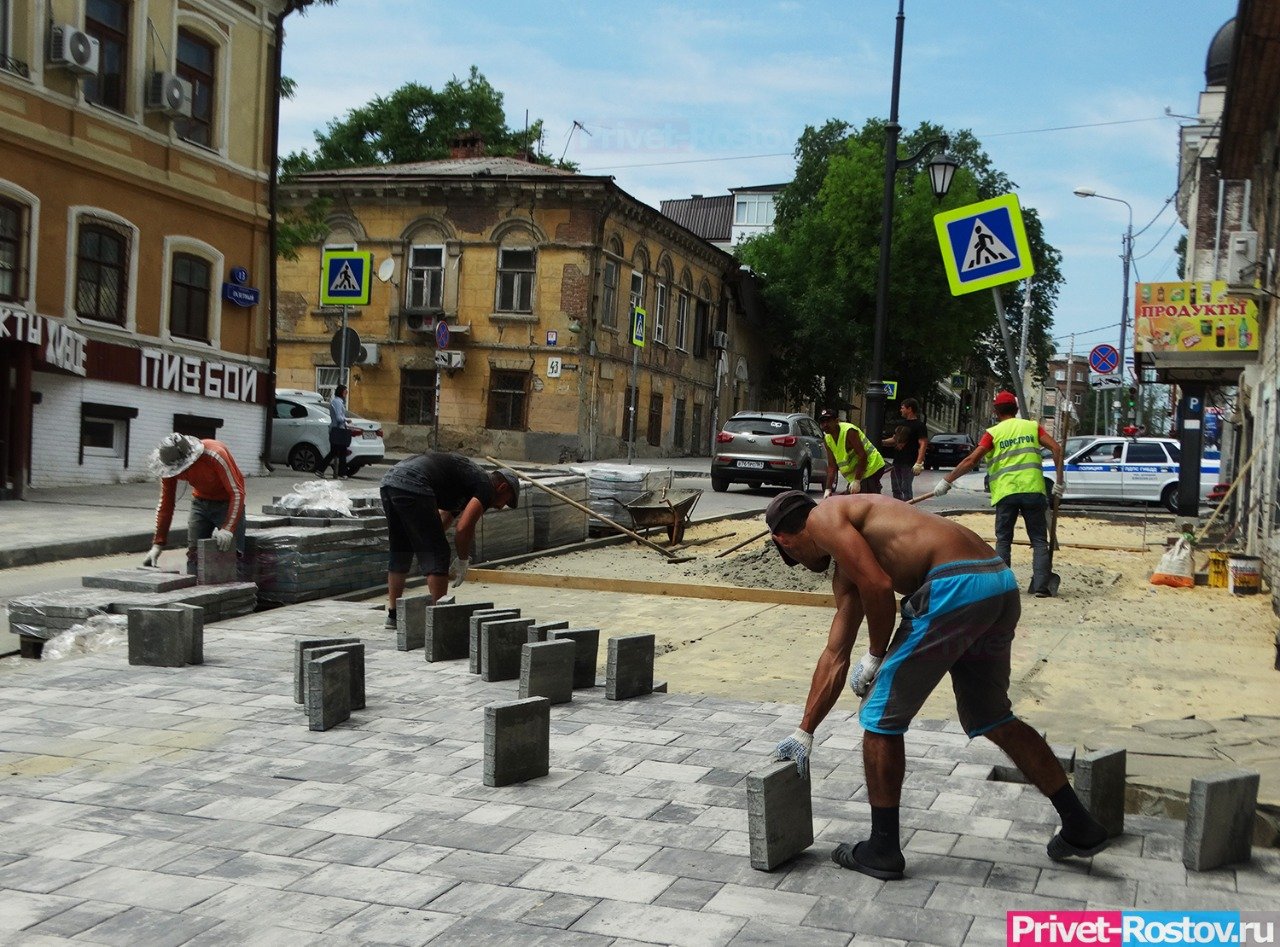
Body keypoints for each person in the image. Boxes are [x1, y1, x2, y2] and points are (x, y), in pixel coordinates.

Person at [765, 489, 1108, 881]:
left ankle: (882, 849)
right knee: (992, 716)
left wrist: (877, 654)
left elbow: (878, 586)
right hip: (996, 583)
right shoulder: (854, 544)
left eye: (791, 556)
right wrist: (803, 732)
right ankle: (1079, 824)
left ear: (784, 538)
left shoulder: (822, 517)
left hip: (953, 587)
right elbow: (835, 653)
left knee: (879, 717)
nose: (799, 563)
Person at [933, 391, 1065, 598]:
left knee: (1003, 539)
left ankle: (1003, 586)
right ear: (1016, 409)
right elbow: (1056, 448)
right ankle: (1042, 586)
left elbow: (971, 460)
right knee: (1039, 540)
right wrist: (1059, 481)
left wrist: (947, 480)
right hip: (1033, 490)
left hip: (1006, 492)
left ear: (995, 411)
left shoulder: (993, 433)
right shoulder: (1031, 427)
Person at [379, 452, 521, 629]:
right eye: (506, 501)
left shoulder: (465, 485)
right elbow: (463, 528)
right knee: (439, 553)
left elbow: (442, 522)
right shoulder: (485, 487)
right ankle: (440, 622)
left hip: (390, 481)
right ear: (502, 488)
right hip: (414, 483)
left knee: (402, 548)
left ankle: (393, 616)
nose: (501, 507)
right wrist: (463, 560)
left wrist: (426, 539)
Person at [144, 434, 246, 574]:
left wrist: (228, 528)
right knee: (194, 556)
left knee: (232, 556)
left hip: (227, 502)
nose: (178, 473)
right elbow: (166, 504)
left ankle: (234, 590)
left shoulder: (215, 455)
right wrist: (158, 544)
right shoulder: (169, 467)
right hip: (200, 502)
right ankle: (195, 590)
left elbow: (237, 492)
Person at [818, 409, 886, 497]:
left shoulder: (849, 431)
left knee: (862, 502)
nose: (825, 425)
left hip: (871, 467)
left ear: (836, 421)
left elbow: (862, 456)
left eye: (828, 421)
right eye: (822, 422)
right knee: (853, 499)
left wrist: (857, 480)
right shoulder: (827, 439)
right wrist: (828, 489)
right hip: (860, 473)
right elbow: (832, 466)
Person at [881, 398, 927, 502]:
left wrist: (919, 462)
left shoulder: (919, 426)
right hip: (897, 461)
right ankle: (899, 509)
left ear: (909, 409)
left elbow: (923, 443)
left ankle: (908, 509)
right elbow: (894, 440)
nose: (900, 410)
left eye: (902, 408)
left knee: (905, 488)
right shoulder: (901, 424)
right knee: (896, 488)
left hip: (909, 462)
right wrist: (881, 442)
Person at [319, 384, 353, 479]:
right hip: (338, 430)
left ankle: (322, 470)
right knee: (339, 452)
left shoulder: (338, 402)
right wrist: (346, 420)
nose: (346, 394)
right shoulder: (338, 402)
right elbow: (338, 417)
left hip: (337, 430)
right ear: (341, 392)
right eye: (345, 392)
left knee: (337, 452)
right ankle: (341, 473)